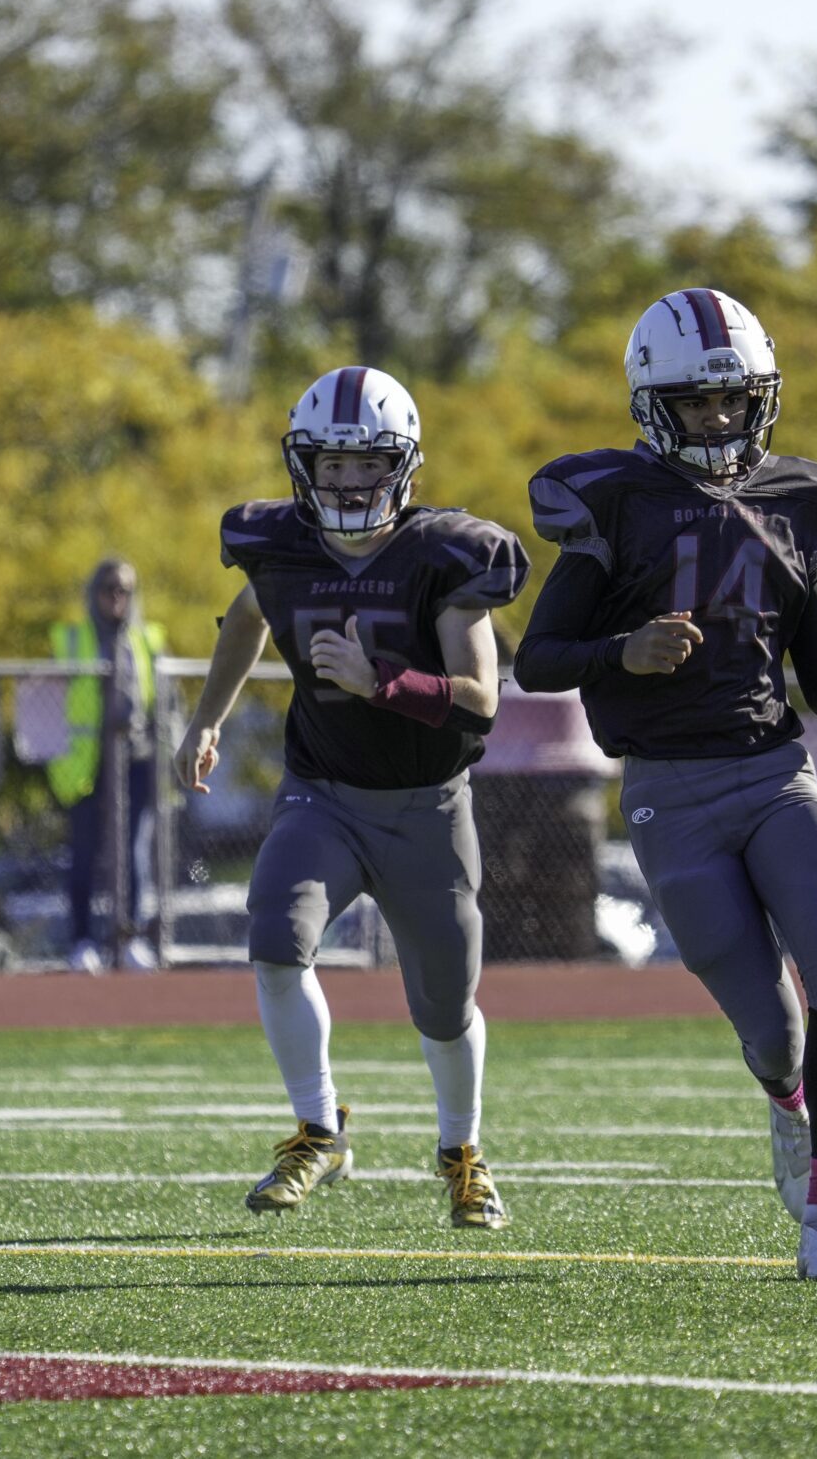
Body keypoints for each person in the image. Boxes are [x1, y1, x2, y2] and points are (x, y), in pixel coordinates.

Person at [515, 288, 817, 1282]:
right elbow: (538, 660)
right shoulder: (613, 504)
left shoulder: (797, 503)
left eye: (732, 401)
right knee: (773, 1029)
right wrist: (626, 651)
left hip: (776, 775)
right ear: (652, 404)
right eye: (696, 404)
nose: (717, 420)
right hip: (673, 798)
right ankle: (786, 1102)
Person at [174, 366, 528, 1228]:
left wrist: (385, 682)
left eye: (366, 463)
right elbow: (248, 614)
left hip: (426, 806)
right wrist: (207, 718)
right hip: (321, 795)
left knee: (444, 1006)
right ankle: (319, 1127)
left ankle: (460, 1149)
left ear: (401, 465)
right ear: (304, 466)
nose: (346, 481)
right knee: (274, 935)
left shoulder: (443, 552)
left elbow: (482, 694)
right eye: (329, 464)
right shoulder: (282, 542)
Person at [48, 558, 166, 972]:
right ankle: (83, 940)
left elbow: (165, 704)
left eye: (125, 590)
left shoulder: (146, 639)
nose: (117, 598)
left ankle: (131, 937)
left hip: (136, 760)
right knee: (83, 855)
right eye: (109, 589)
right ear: (94, 592)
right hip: (86, 764)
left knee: (135, 853)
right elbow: (44, 704)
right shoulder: (72, 639)